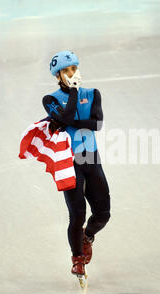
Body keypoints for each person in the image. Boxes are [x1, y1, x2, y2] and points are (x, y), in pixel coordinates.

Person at [42, 51, 111, 280]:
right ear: (58, 76)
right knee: (77, 215)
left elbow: (97, 123)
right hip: (69, 162)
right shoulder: (50, 100)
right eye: (66, 71)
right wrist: (72, 92)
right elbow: (65, 116)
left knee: (103, 214)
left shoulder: (93, 94)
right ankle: (77, 260)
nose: (72, 73)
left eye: (74, 69)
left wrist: (68, 121)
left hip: (90, 159)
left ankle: (87, 237)